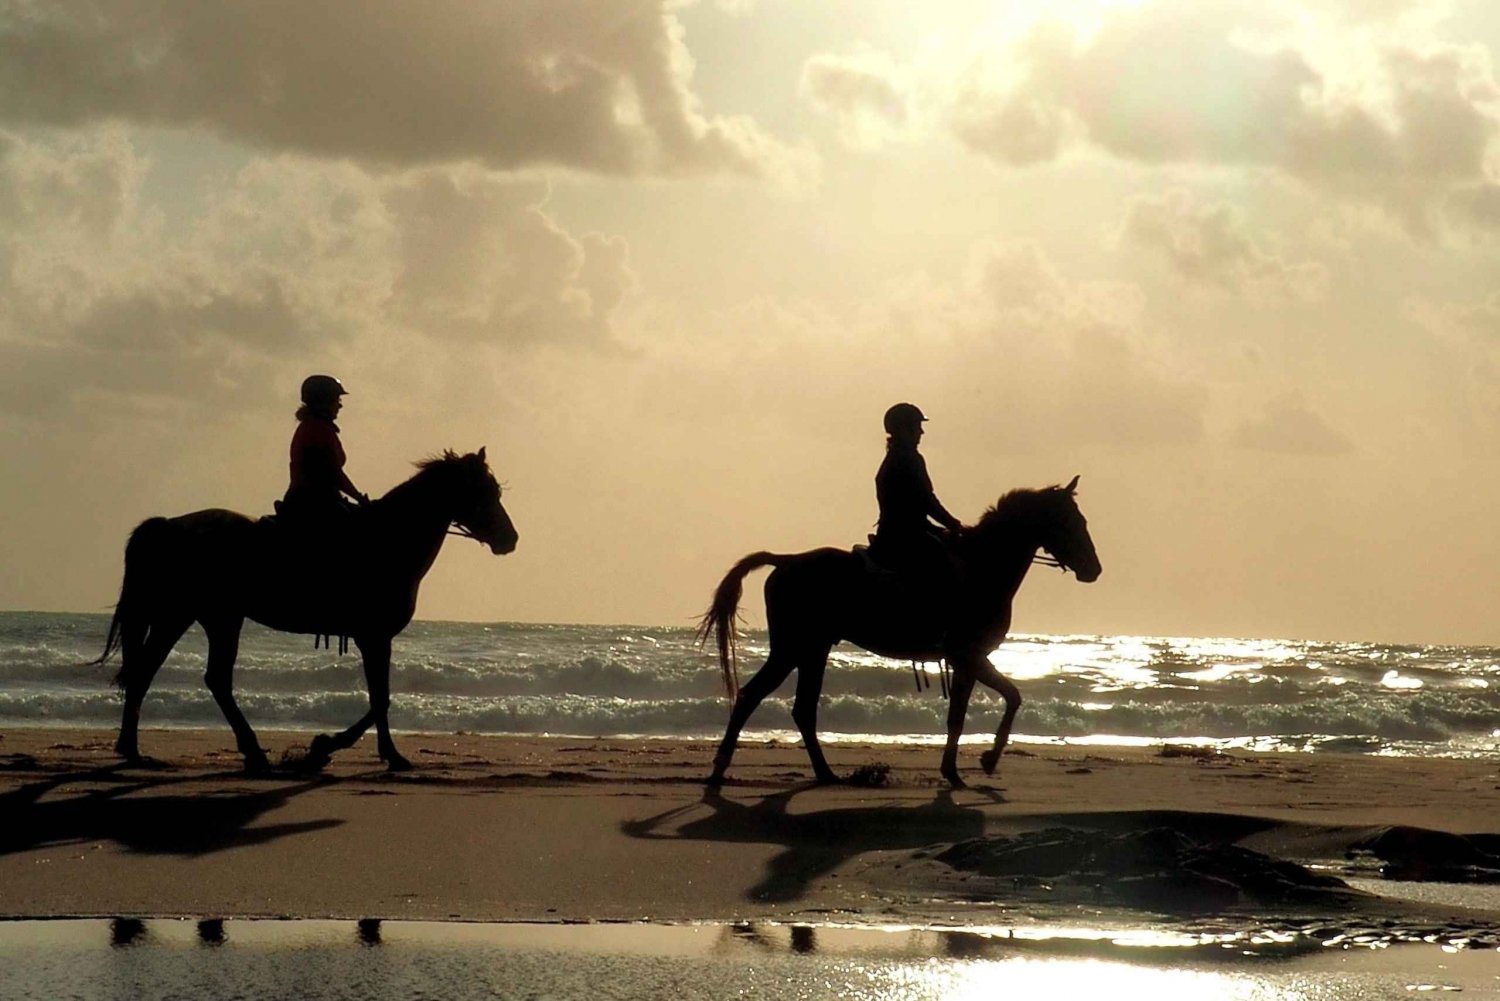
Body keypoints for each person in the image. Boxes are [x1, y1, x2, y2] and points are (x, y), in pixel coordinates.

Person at [870, 402, 963, 585]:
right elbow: (926, 500)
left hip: (896, 533)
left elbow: (914, 506)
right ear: (904, 430)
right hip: (906, 537)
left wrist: (937, 528)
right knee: (947, 568)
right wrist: (953, 524)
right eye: (917, 426)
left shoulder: (895, 458)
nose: (921, 432)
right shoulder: (909, 459)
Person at [281, 374, 367, 523]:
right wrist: (359, 497)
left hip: (316, 500)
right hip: (314, 504)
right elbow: (333, 473)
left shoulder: (314, 427)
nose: (340, 405)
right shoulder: (317, 430)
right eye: (337, 400)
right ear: (324, 402)